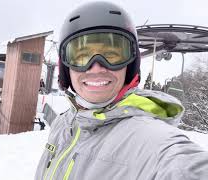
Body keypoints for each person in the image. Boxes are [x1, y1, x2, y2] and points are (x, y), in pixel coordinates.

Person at [35, 2, 208, 180]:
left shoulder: (153, 143)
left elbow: (182, 166)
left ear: (130, 65)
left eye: (112, 54)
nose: (96, 68)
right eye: (82, 55)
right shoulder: (64, 123)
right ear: (65, 67)